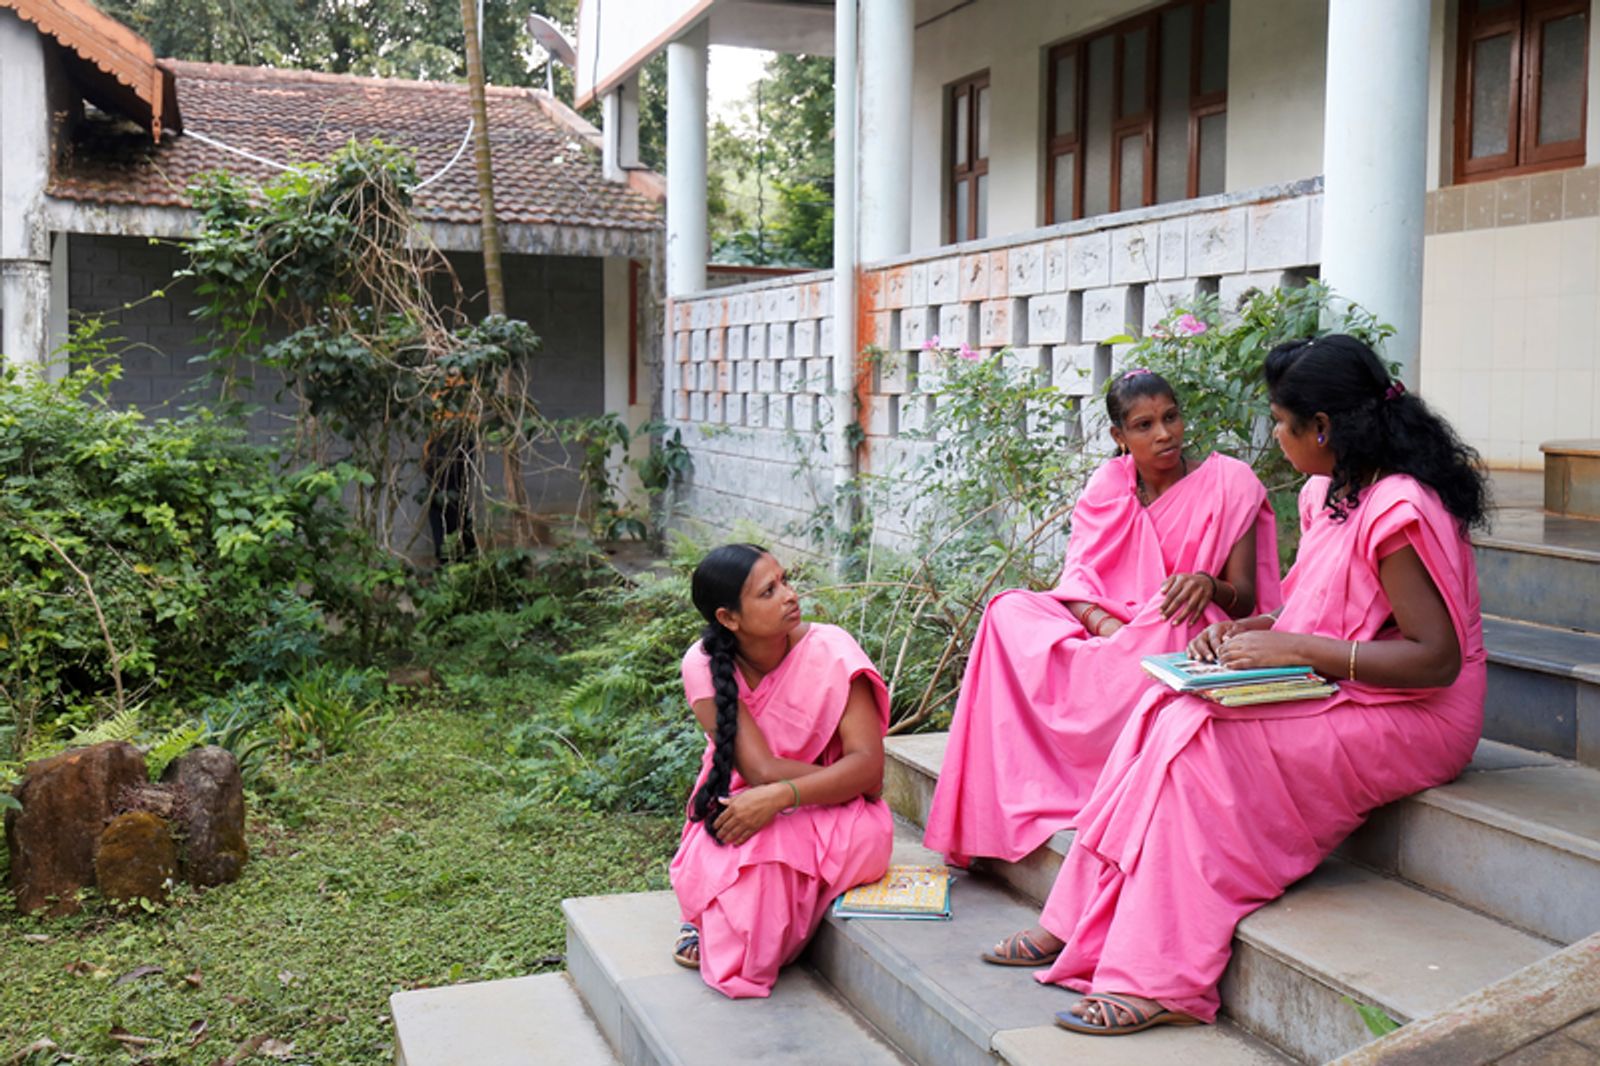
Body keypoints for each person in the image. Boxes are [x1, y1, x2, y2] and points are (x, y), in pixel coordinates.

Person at [1005, 335, 1487, 1036]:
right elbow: (1307, 608)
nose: (1276, 437)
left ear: (1321, 428)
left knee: (1202, 742)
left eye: (1281, 422)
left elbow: (1434, 661)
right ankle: (1079, 918)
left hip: (1418, 712)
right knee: (1162, 707)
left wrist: (1290, 648)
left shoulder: (1397, 508)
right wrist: (1243, 632)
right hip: (1345, 678)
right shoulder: (1331, 489)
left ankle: (1159, 977)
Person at [923, 368, 1283, 959]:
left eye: (1171, 417)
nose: (1164, 434)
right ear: (1120, 437)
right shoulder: (1108, 484)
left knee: (1165, 619)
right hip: (1113, 628)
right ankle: (1033, 773)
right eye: (1145, 425)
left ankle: (1104, 749)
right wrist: (1106, 626)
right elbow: (1080, 580)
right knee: (1009, 610)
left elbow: (1246, 595)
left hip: (1181, 625)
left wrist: (1207, 584)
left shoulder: (1229, 483)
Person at [669, 543, 894, 999]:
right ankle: (725, 925)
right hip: (742, 794)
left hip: (843, 811)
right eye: (769, 591)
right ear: (729, 618)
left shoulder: (832, 649)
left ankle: (729, 931)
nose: (790, 595)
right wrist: (809, 782)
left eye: (785, 580)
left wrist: (783, 796)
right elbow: (757, 768)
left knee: (763, 858)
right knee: (739, 840)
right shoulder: (704, 662)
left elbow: (869, 773)